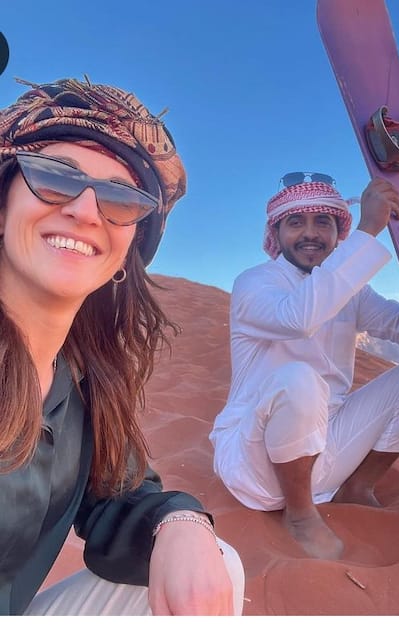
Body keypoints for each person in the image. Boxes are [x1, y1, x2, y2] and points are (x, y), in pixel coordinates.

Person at [0, 77, 245, 615]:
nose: (87, 211)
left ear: (129, 247)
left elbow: (118, 493)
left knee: (213, 559)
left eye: (119, 197)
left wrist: (179, 520)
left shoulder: (82, 380)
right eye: (54, 176)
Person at [210, 172, 399, 559]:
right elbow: (299, 318)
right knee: (300, 378)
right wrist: (370, 229)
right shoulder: (255, 283)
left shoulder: (351, 290)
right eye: (296, 223)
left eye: (322, 222)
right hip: (255, 464)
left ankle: (358, 487)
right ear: (276, 233)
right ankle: (299, 514)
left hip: (329, 448)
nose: (310, 234)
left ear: (337, 232)